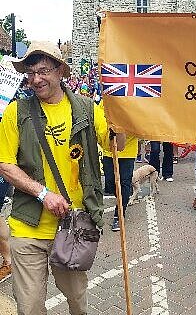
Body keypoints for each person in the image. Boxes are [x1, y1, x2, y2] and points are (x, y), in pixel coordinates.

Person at [0, 43, 124, 314]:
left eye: (43, 71)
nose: (35, 79)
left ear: (60, 71)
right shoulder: (16, 112)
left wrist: (122, 122)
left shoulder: (88, 109)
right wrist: (43, 194)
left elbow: (117, 145)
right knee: (29, 308)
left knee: (77, 302)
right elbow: (5, 164)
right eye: (30, 73)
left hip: (74, 227)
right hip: (27, 227)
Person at [101, 129, 138, 231]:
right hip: (109, 150)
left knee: (124, 183)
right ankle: (124, 197)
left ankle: (119, 214)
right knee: (110, 182)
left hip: (128, 150)